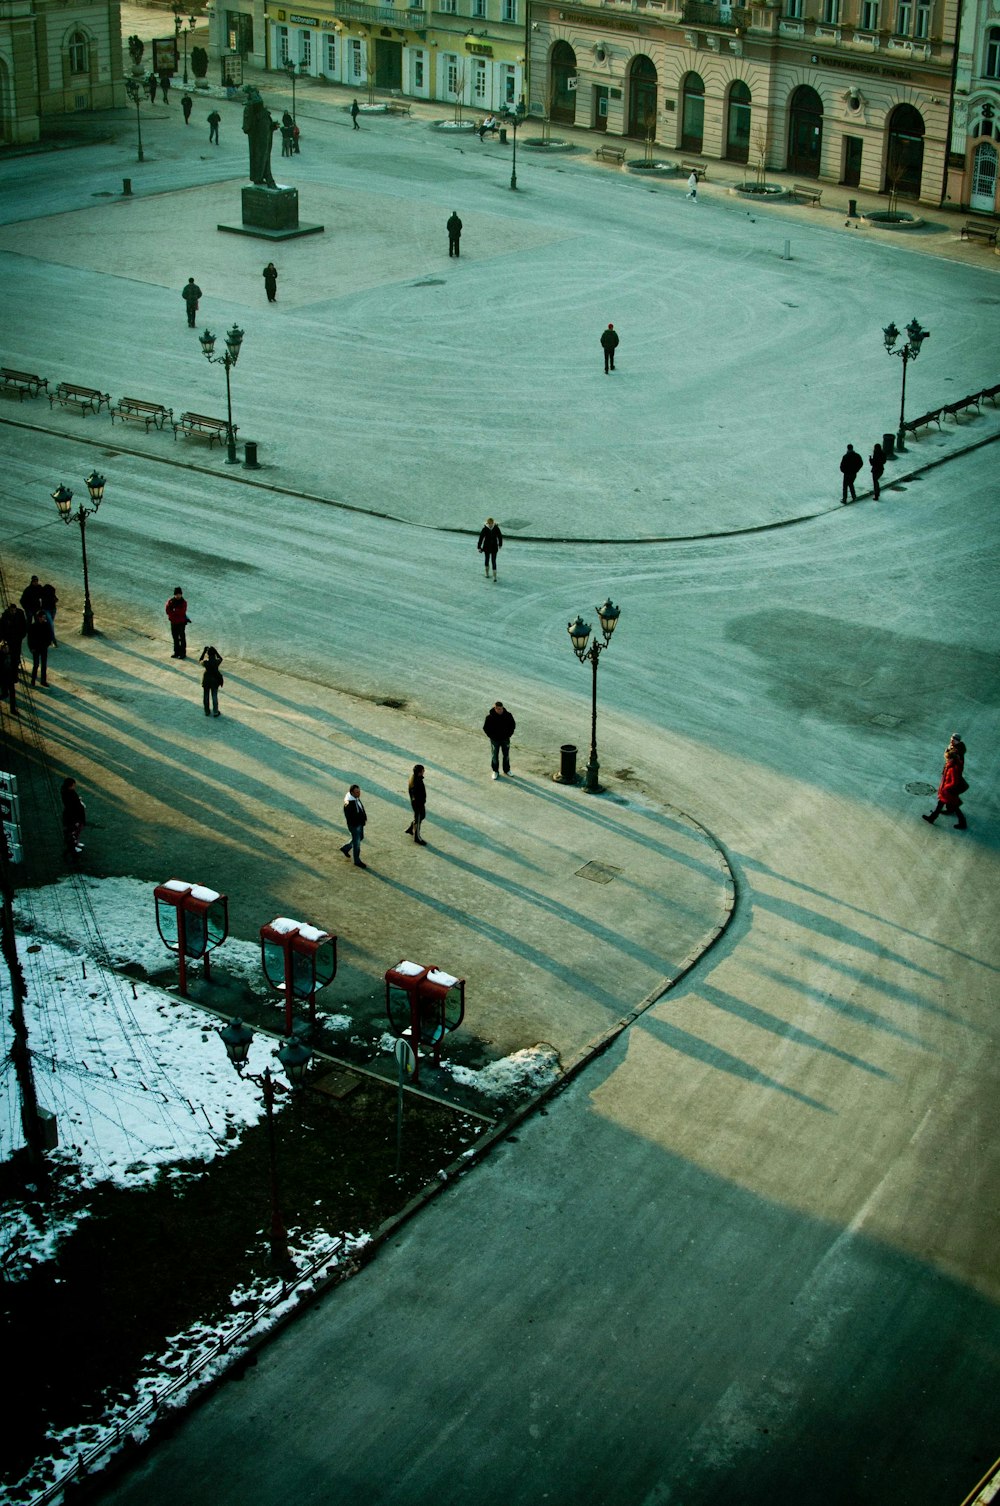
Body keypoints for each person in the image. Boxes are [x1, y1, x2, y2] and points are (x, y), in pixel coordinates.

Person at [923, 734, 968, 830]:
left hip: (949, 790)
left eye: (948, 759)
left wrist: (946, 788)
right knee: (943, 804)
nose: (946, 760)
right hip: (948, 789)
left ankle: (962, 822)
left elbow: (954, 781)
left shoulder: (954, 766)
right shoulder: (951, 762)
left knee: (953, 806)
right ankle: (933, 818)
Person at [242, 87, 277, 188]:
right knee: (261, 158)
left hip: (266, 139)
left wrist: (272, 126)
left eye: (258, 94)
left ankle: (264, 177)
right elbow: (246, 127)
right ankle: (265, 178)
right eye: (255, 95)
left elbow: (267, 124)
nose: (258, 97)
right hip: (257, 141)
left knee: (265, 158)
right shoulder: (249, 109)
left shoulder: (263, 111)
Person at [483, 700, 515, 780]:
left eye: (501, 709)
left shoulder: (508, 715)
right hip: (495, 740)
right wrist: (491, 736)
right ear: (495, 709)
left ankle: (507, 770)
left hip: (505, 739)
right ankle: (495, 771)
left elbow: (512, 725)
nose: (500, 710)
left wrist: (509, 735)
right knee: (494, 756)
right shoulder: (489, 717)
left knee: (506, 755)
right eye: (498, 709)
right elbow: (486, 728)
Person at [341, 784, 368, 868]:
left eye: (359, 791)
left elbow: (360, 808)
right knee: (357, 843)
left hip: (359, 823)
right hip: (355, 825)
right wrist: (356, 825)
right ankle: (357, 860)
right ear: (352, 792)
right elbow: (349, 817)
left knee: (361, 837)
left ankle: (346, 848)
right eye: (357, 792)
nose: (359, 794)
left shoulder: (355, 798)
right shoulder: (349, 803)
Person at [61, 777, 86, 857]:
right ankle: (73, 847)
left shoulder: (67, 792)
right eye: (73, 785)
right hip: (73, 817)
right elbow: (72, 807)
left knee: (77, 831)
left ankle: (76, 843)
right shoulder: (69, 794)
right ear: (70, 786)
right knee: (73, 832)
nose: (74, 787)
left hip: (74, 816)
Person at [27, 610, 52, 687]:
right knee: (36, 665)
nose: (44, 618)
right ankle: (33, 680)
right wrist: (31, 648)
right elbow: (30, 639)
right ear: (39, 618)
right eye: (43, 617)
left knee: (44, 665)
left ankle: (43, 681)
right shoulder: (33, 626)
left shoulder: (46, 625)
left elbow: (49, 636)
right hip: (36, 648)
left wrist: (47, 644)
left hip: (43, 647)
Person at [405, 765, 428, 845]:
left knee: (422, 816)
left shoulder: (416, 778)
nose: (424, 772)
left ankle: (411, 828)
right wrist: (419, 803)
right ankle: (417, 837)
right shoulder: (415, 782)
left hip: (420, 803)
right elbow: (415, 795)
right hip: (418, 804)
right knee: (418, 819)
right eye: (422, 771)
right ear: (419, 772)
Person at [200, 645, 224, 717]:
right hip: (214, 680)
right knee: (214, 696)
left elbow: (200, 660)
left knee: (206, 696)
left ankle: (207, 711)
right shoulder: (216, 662)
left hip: (206, 680)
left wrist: (204, 652)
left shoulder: (206, 663)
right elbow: (221, 658)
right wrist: (216, 651)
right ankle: (215, 711)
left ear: (208, 655)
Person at [166, 586, 189, 659]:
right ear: (174, 594)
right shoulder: (171, 601)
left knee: (182, 638)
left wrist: (174, 611)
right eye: (176, 594)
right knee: (175, 637)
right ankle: (176, 652)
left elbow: (182, 612)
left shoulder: (183, 602)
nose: (178, 595)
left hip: (181, 623)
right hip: (173, 622)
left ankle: (183, 653)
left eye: (179, 594)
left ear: (181, 594)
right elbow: (167, 610)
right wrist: (175, 611)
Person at [0, 637, 19, 717]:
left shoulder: (11, 655)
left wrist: (15, 677)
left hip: (10, 677)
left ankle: (13, 709)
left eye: (7, 648)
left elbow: (14, 667)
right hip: (3, 678)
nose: (6, 649)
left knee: (12, 693)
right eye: (5, 648)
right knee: (4, 694)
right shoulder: (0, 657)